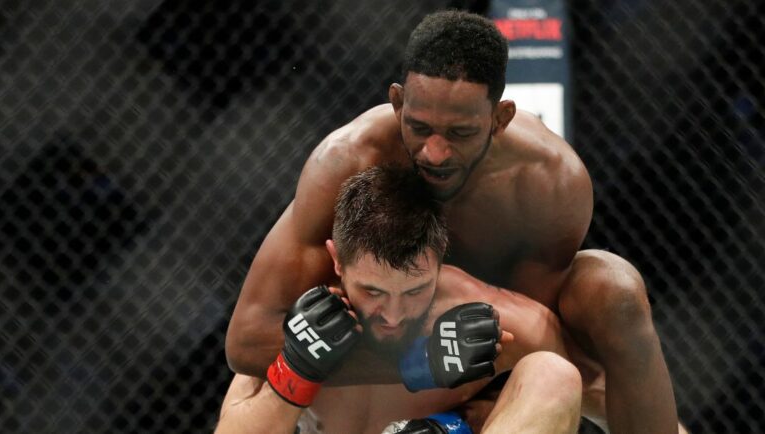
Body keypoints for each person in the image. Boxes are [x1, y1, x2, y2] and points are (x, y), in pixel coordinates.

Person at [226, 10, 678, 433]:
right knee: (291, 347)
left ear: (500, 119)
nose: (434, 153)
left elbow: (525, 341)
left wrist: (456, 419)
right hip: (352, 343)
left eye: (459, 133)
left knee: (610, 292)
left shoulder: (546, 185)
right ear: (398, 103)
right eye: (419, 127)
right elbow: (247, 340)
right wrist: (417, 363)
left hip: (474, 352)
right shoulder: (347, 161)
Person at [216, 165, 584, 434]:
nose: (392, 314)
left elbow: (568, 410)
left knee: (553, 374)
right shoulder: (305, 315)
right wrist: (295, 371)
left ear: (440, 262)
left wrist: (455, 427)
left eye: (414, 291)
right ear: (336, 262)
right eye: (373, 291)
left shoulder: (490, 323)